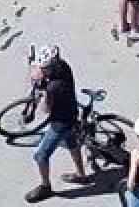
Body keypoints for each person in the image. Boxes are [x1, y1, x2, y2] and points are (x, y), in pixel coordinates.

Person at [24, 45, 90, 201]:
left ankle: (45, 187)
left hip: (60, 123)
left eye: (43, 67)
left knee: (40, 155)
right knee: (72, 144)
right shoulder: (64, 66)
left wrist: (43, 90)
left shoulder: (54, 87)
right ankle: (81, 174)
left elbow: (45, 109)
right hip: (71, 114)